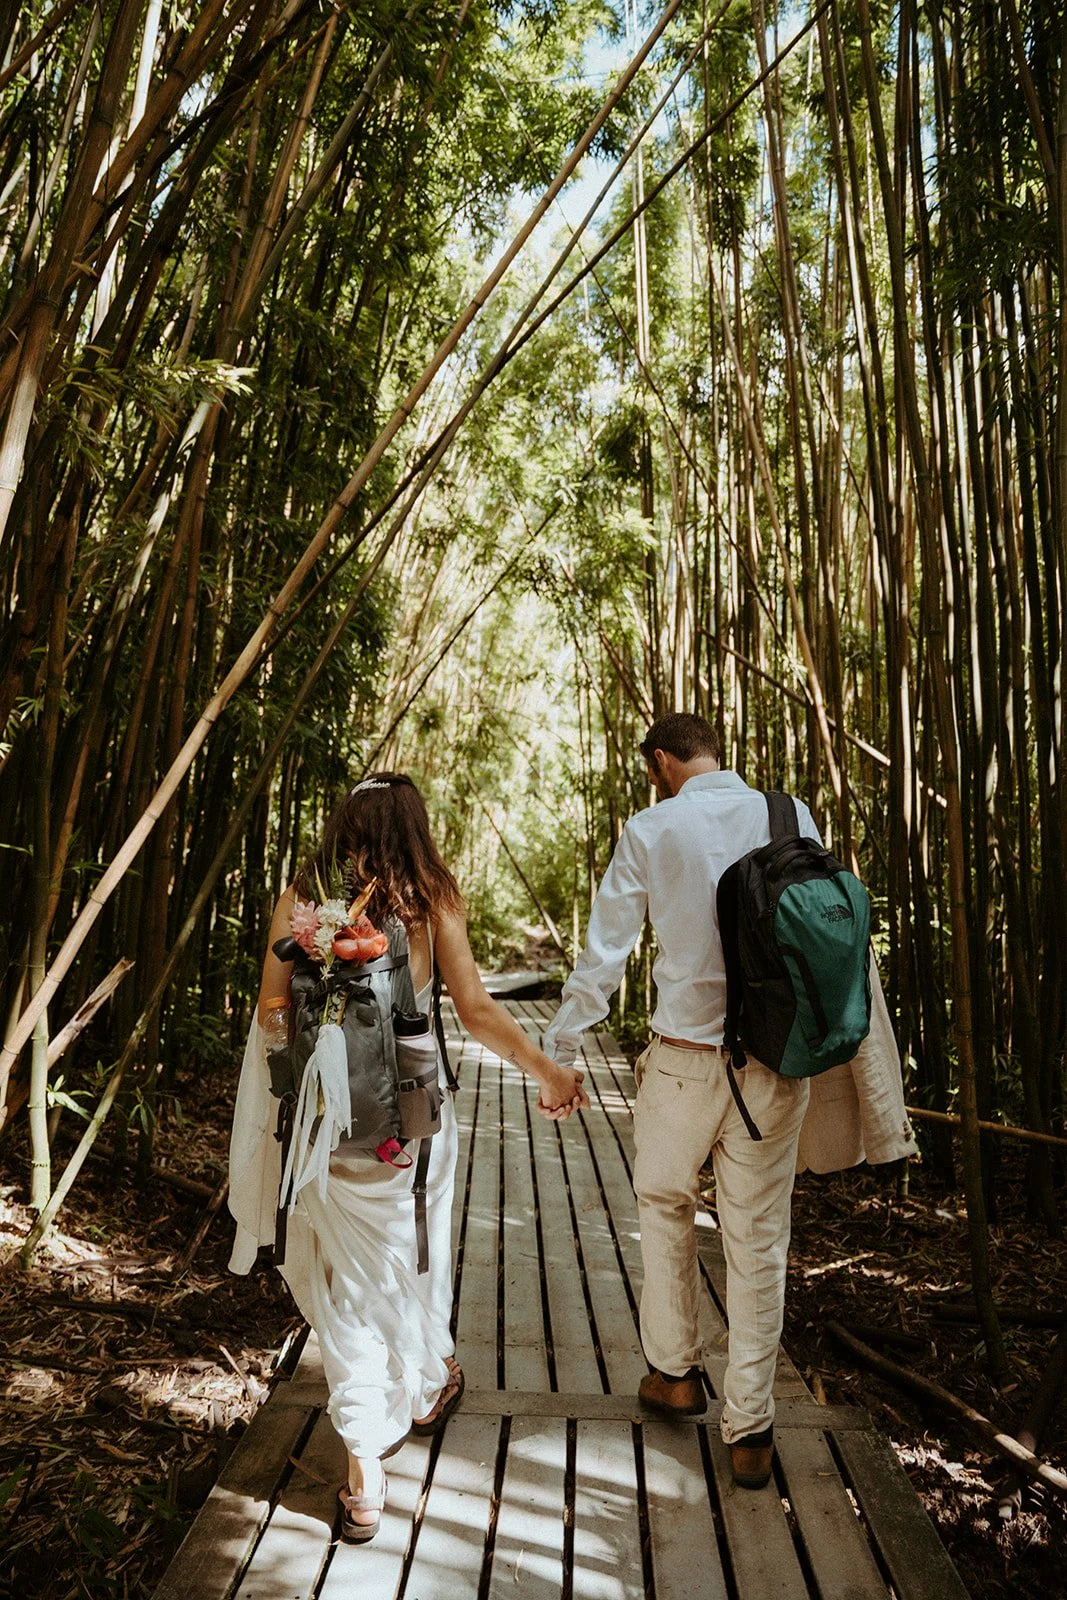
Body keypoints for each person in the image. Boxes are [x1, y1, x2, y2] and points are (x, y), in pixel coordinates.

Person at [543, 713, 916, 1489]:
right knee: (757, 1241)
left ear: (659, 762)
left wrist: (562, 1051)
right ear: (715, 753)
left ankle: (673, 1371)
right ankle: (750, 1430)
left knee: (665, 1210)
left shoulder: (649, 827)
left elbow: (605, 954)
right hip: (775, 1067)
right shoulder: (790, 814)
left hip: (682, 1064)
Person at [229, 773, 588, 1541]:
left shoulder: (302, 899)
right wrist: (550, 1073)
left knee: (344, 1282)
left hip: (321, 1130)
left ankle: (380, 1452)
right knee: (407, 1260)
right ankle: (404, 1412)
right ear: (414, 826)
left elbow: (269, 1009)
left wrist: (313, 1061)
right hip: (408, 1130)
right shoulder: (430, 899)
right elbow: (477, 1010)